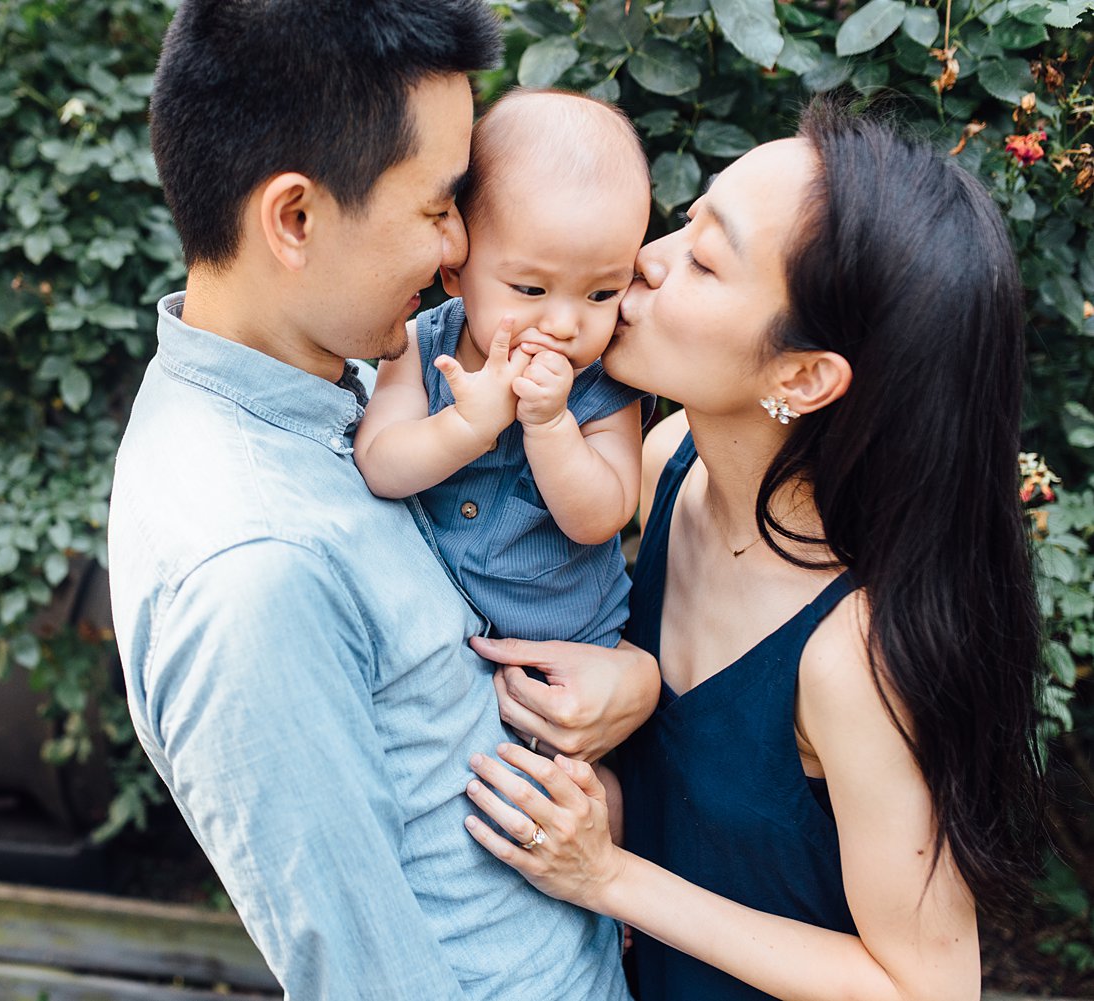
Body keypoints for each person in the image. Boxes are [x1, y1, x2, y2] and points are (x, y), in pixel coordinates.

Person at [106, 2, 658, 997]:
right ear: (296, 218)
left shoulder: (358, 378)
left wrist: (630, 686)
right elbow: (363, 972)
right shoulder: (254, 565)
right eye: (441, 205)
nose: (459, 245)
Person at [459, 103, 1044, 1000]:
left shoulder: (854, 652)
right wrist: (628, 686)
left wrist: (608, 876)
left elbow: (928, 987)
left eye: (701, 259)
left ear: (802, 375)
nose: (645, 259)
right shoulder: (666, 469)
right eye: (687, 217)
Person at [354, 90, 650, 649]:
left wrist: (551, 426)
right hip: (434, 637)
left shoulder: (604, 381)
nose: (565, 323)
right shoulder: (423, 343)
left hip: (564, 650)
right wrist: (467, 426)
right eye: (532, 288)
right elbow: (379, 464)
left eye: (602, 291)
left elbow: (603, 516)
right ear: (456, 271)